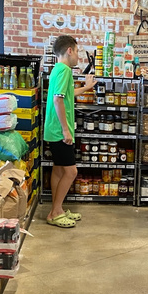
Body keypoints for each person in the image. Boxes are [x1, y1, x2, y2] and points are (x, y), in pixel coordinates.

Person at [43, 35, 95, 228]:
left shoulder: (57, 69)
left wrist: (86, 88)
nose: (78, 56)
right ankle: (55, 212)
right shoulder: (65, 71)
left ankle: (57, 209)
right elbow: (58, 100)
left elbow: (66, 95)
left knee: (58, 170)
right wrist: (66, 130)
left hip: (53, 129)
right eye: (77, 51)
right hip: (60, 131)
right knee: (71, 172)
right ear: (69, 50)